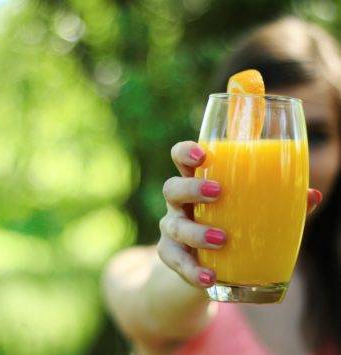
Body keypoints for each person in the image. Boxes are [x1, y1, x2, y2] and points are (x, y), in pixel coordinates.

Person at [104, 17, 341, 355]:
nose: (290, 157)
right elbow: (149, 313)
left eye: (313, 135)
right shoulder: (135, 270)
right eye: (256, 129)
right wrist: (193, 270)